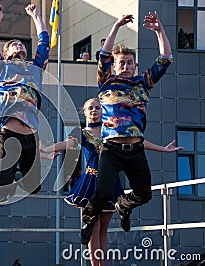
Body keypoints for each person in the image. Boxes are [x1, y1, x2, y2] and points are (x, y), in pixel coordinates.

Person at [41, 98, 182, 266]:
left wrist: (163, 149)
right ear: (85, 112)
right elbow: (66, 144)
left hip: (109, 182)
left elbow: (138, 142)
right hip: (91, 182)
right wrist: (47, 150)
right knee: (94, 225)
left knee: (103, 229)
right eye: (91, 108)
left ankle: (103, 264)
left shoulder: (112, 129)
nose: (94, 111)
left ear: (103, 111)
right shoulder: (81, 133)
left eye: (98, 108)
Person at [80, 11, 173, 245]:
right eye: (121, 63)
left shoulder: (144, 83)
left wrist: (160, 30)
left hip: (136, 149)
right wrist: (117, 26)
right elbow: (103, 55)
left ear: (135, 65)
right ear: (115, 64)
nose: (126, 66)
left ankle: (124, 204)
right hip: (111, 148)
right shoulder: (106, 82)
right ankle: (89, 217)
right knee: (101, 194)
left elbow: (165, 58)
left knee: (145, 194)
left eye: (130, 63)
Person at [0, 3, 50, 201]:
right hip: (10, 133)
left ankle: (15, 173)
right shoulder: (1, 69)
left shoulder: (35, 69)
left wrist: (36, 16)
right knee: (2, 186)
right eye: (14, 44)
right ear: (5, 54)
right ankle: (5, 181)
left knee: (34, 187)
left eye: (21, 44)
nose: (19, 45)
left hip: (30, 136)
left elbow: (44, 41)